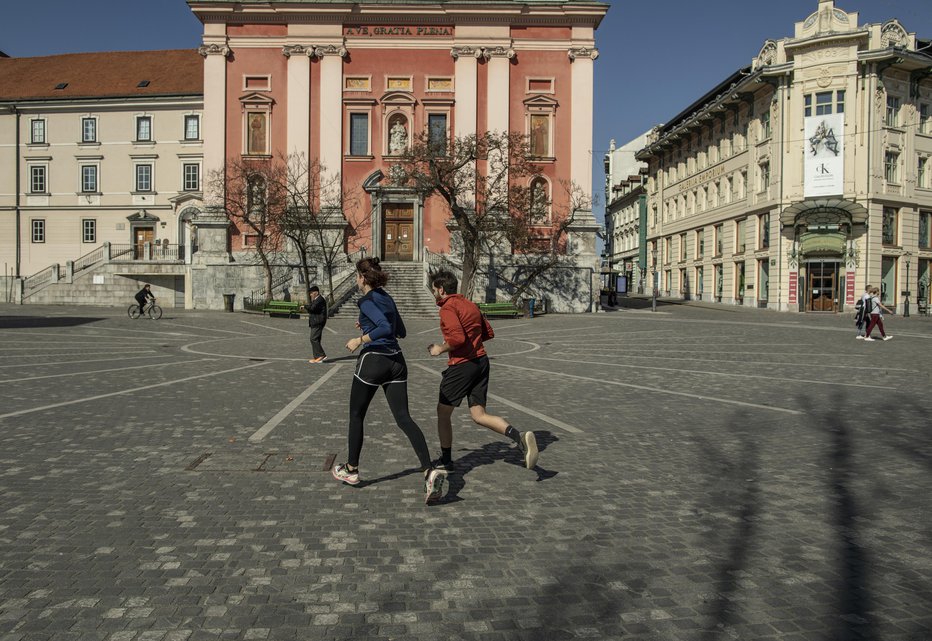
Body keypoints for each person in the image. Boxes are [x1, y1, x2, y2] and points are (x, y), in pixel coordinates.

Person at [331, 257, 447, 503]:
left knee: (356, 414)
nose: (356, 279)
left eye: (357, 276)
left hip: (374, 361)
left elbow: (384, 327)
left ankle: (351, 470)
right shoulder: (387, 297)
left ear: (363, 278)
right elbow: (400, 331)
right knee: (404, 418)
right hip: (397, 362)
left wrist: (360, 339)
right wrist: (367, 323)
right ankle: (429, 470)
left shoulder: (367, 300)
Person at [427, 270, 538, 471]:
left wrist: (441, 348)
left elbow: (458, 339)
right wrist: (470, 341)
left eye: (434, 290)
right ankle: (519, 437)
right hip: (481, 362)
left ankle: (445, 460)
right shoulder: (470, 304)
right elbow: (488, 333)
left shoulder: (448, 308)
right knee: (479, 415)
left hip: (462, 366)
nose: (434, 293)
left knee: (443, 413)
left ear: (441, 290)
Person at [306, 286, 328, 363]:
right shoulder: (316, 300)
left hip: (318, 322)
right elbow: (312, 308)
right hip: (316, 321)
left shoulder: (319, 300)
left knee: (313, 338)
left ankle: (321, 355)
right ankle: (317, 357)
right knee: (316, 339)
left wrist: (305, 307)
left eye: (311, 293)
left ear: (316, 292)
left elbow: (312, 308)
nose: (310, 295)